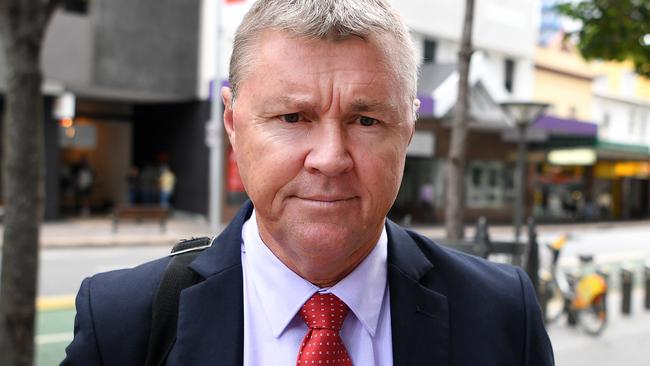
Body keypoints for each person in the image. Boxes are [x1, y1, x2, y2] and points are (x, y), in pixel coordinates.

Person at [62, 0, 554, 365]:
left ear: (408, 127)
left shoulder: (502, 314)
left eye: (365, 121)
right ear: (233, 123)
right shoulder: (124, 322)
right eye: (293, 117)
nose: (330, 159)